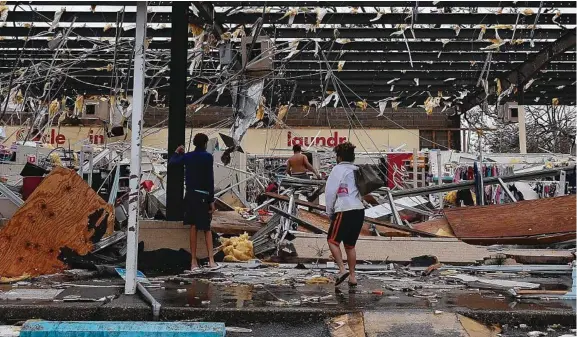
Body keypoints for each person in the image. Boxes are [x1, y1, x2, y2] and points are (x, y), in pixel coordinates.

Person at [168, 133, 218, 272]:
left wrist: (177, 152)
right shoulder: (208, 157)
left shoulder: (188, 156)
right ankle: (211, 260)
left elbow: (172, 163)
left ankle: (193, 261)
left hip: (190, 196)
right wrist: (211, 201)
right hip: (203, 196)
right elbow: (210, 179)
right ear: (205, 143)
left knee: (193, 227)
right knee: (207, 229)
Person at [324, 142, 365, 288]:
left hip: (344, 209)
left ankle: (342, 270)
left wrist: (329, 212)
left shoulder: (338, 169)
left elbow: (330, 192)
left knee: (332, 241)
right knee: (350, 245)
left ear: (339, 157)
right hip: (359, 210)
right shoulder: (357, 169)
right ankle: (352, 277)